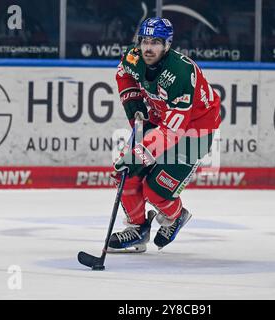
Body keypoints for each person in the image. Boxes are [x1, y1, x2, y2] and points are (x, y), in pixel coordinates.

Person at [108, 17, 221, 252]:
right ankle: (137, 230)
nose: (148, 48)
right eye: (145, 41)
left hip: (195, 131)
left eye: (156, 42)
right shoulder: (133, 56)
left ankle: (176, 216)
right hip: (160, 120)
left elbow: (174, 130)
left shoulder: (181, 73)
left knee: (157, 189)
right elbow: (124, 75)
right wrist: (135, 107)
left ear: (167, 45)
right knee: (125, 175)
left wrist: (141, 150)